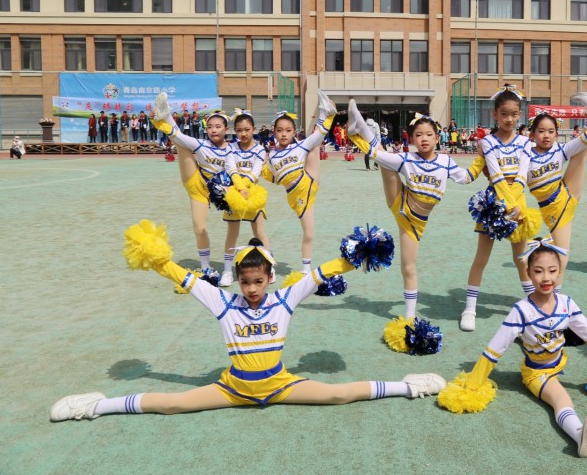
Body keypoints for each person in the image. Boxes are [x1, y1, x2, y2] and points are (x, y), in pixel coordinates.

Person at [49, 229, 446, 422]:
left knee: (338, 396)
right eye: (245, 281)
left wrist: (355, 255)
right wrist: (155, 259)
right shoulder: (223, 302)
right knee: (171, 404)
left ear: (271, 277)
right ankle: (96, 405)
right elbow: (182, 277)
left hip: (280, 385)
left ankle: (410, 386)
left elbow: (320, 274)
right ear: (237, 280)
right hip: (233, 388)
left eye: (258, 281)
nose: (252, 289)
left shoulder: (284, 298)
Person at [443, 240, 587, 458]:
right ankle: (579, 434)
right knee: (561, 399)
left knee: (566, 386)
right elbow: (494, 350)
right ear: (527, 273)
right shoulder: (522, 310)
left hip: (559, 362)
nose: (546, 278)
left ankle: (581, 432)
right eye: (538, 271)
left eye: (552, 271)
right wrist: (473, 385)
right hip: (537, 373)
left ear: (560, 272)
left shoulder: (566, 304)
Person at [347, 106, 482, 331]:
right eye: (418, 135)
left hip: (416, 222)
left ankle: (361, 127)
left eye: (429, 134)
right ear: (412, 139)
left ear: (438, 138)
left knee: (409, 264)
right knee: (384, 162)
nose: (424, 139)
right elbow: (377, 154)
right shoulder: (407, 158)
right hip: (400, 203)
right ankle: (409, 316)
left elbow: (467, 177)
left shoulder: (446, 162)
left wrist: (483, 157)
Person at [459, 85, 535, 332]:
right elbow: (484, 172)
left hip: (518, 203)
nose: (509, 119)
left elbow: (522, 175)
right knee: (481, 258)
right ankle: (470, 309)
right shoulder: (486, 143)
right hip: (493, 203)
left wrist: (514, 206)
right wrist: (449, 171)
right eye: (504, 114)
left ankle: (536, 306)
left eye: (514, 114)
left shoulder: (525, 142)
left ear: (520, 114)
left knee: (521, 259)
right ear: (494, 115)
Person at [150, 93, 235, 288]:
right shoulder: (201, 144)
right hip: (198, 185)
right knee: (200, 228)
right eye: (210, 127)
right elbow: (177, 136)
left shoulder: (233, 149)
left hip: (225, 192)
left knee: (234, 227)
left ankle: (229, 267)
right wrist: (166, 121)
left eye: (218, 126)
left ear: (226, 129)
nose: (213, 130)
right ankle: (206, 267)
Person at [527, 92, 587, 272]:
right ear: (532, 134)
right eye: (541, 131)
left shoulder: (558, 150)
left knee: (562, 254)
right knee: (581, 151)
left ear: (557, 134)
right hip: (551, 207)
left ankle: (555, 293)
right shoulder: (525, 155)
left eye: (551, 131)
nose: (546, 136)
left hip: (566, 193)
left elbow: (585, 139)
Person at [263, 92, 336, 277]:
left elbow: (318, 135)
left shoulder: (298, 146)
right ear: (274, 132)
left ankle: (305, 269)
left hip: (309, 179)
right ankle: (325, 112)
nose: (284, 134)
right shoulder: (271, 156)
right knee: (308, 233)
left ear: (294, 132)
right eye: (280, 130)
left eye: (288, 130)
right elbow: (273, 178)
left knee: (314, 143)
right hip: (297, 196)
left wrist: (329, 118)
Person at [222, 110, 270, 286]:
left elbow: (255, 172)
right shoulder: (230, 148)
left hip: (252, 195)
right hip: (234, 194)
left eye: (247, 130)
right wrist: (239, 190)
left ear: (254, 129)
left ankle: (268, 267)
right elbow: (231, 169)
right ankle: (227, 270)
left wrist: (244, 189)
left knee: (259, 232)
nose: (243, 134)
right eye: (239, 130)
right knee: (232, 234)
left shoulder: (259, 149)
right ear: (234, 131)